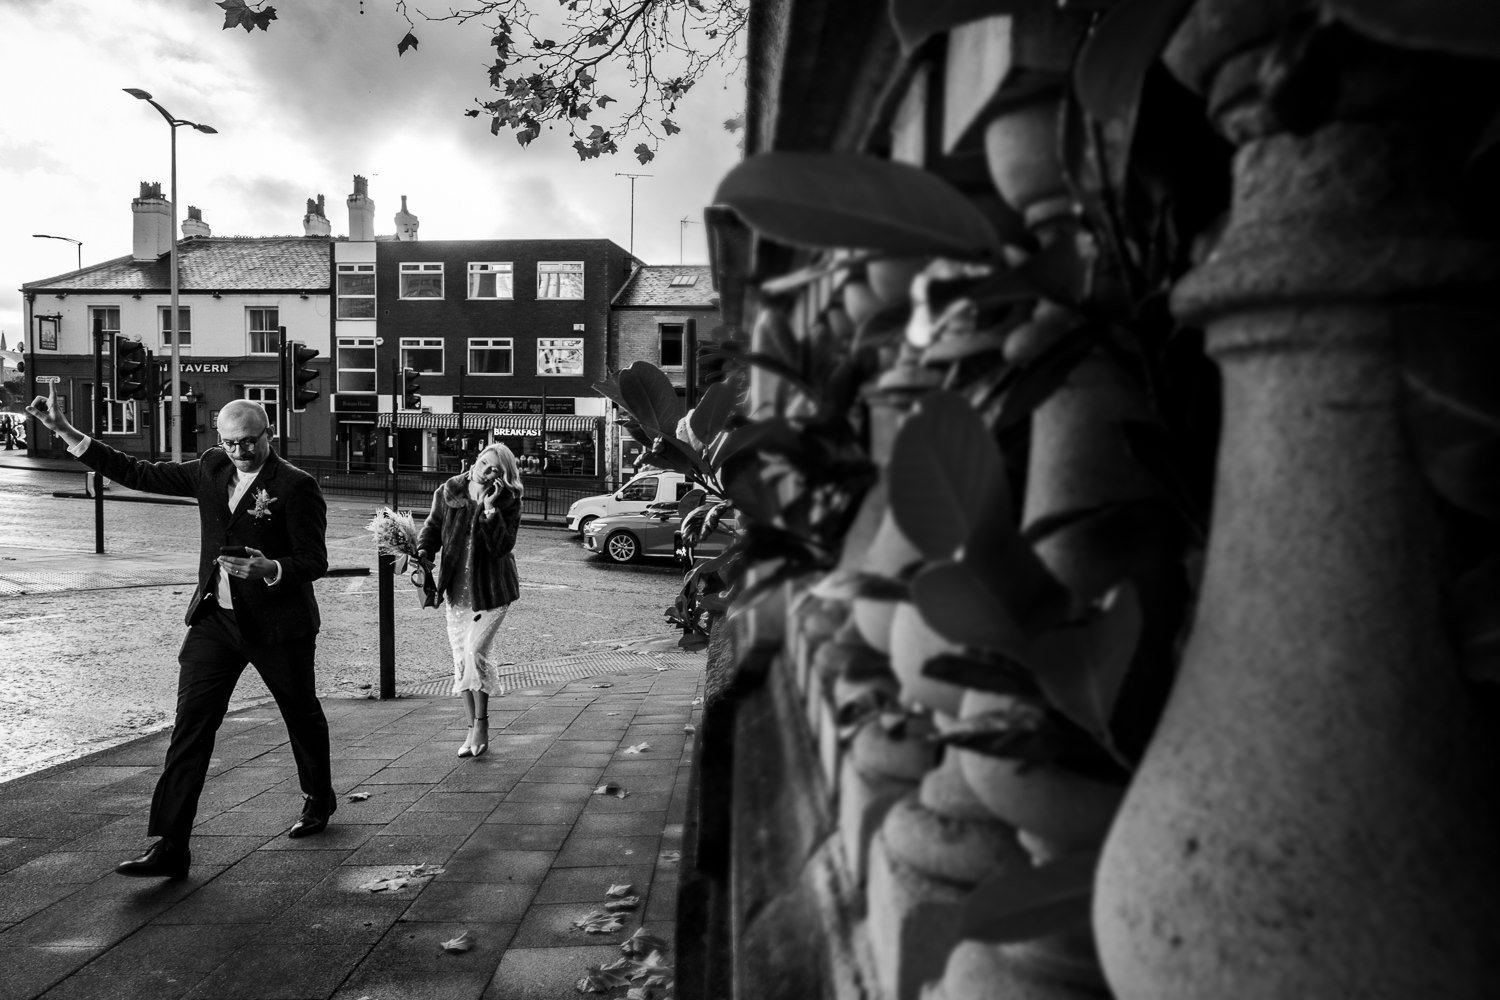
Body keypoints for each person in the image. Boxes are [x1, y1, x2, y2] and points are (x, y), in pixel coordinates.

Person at [25, 387, 336, 879]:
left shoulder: (296, 485)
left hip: (279, 626)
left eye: (250, 441)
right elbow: (137, 472)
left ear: (268, 435)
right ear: (219, 440)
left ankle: (318, 797)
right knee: (190, 727)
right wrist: (64, 431)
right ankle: (171, 844)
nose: (241, 451)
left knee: (301, 713)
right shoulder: (211, 468)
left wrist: (271, 568)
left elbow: (314, 560)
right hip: (215, 620)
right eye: (232, 443)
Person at [416, 442, 523, 758]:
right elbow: (432, 528)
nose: (485, 470)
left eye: (494, 469)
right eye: (483, 463)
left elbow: (503, 547)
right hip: (456, 592)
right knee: (461, 660)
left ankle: (481, 724)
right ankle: (470, 731)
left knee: (475, 653)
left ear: (501, 476)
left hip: (491, 592)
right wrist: (422, 552)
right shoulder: (449, 490)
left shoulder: (507, 501)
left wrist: (490, 510)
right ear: (476, 460)